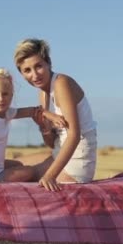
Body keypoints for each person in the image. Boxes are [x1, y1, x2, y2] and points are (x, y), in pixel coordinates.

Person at [14, 38, 97, 191]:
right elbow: (52, 143)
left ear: (48, 63)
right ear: (21, 73)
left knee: (20, 174)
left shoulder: (61, 83)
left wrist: (49, 176)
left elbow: (74, 135)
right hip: (58, 153)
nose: (34, 75)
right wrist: (44, 128)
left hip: (76, 164)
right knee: (16, 164)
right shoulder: (43, 93)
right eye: (27, 70)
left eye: (38, 66)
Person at [0, 68, 66, 184]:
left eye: (5, 94)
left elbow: (31, 111)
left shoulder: (6, 113)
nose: (0, 98)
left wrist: (51, 116)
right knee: (30, 171)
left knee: (18, 164)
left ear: (11, 96)